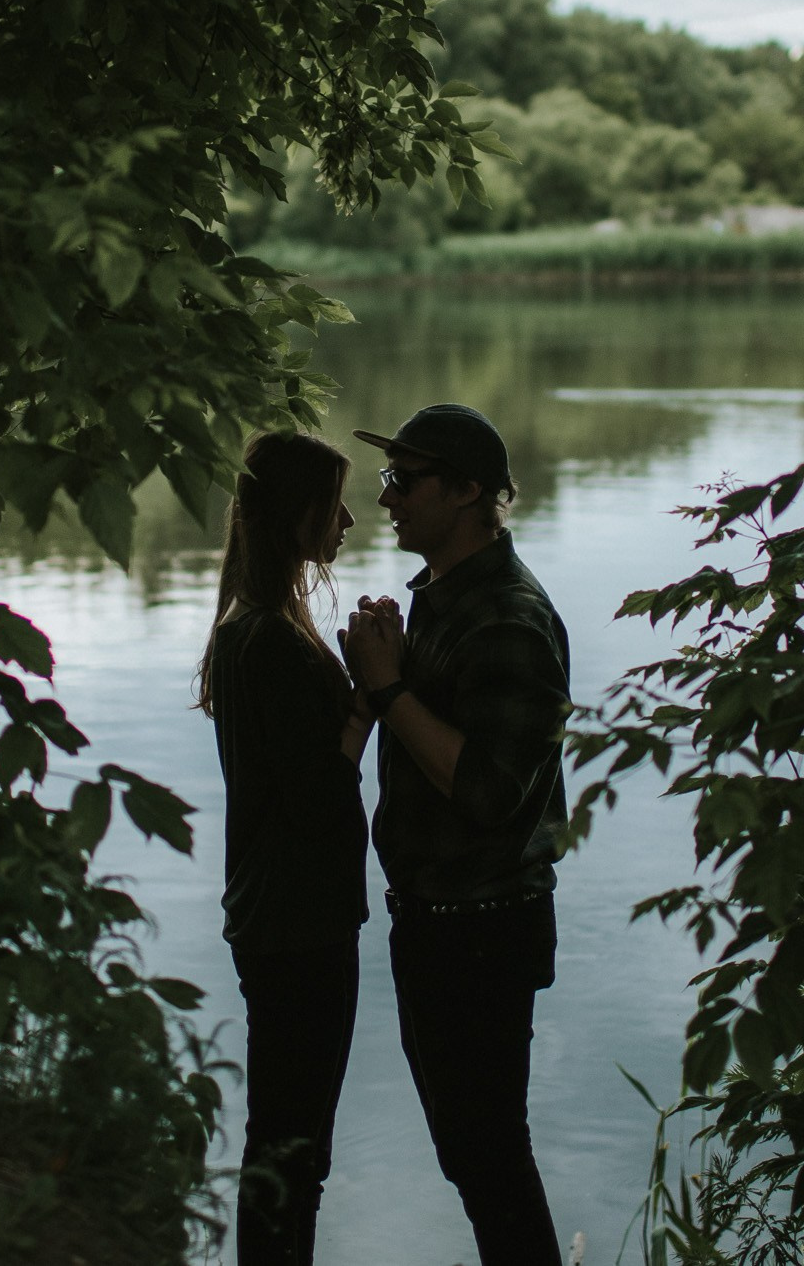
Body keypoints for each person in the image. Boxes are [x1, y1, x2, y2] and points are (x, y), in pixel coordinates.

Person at [340, 403, 569, 1266]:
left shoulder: (507, 617)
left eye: (406, 480)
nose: (387, 498)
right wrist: (386, 673)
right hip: (439, 922)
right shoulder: (443, 598)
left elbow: (488, 792)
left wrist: (389, 688)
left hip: (483, 929)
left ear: (468, 491)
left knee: (490, 1157)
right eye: (387, 478)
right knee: (476, 1157)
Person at [197, 430, 371, 1266]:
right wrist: (369, 703)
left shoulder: (252, 625)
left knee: (286, 1141)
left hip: (275, 911)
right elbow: (320, 794)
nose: (348, 520)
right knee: (293, 1148)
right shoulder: (271, 639)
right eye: (333, 503)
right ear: (296, 512)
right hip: (299, 920)